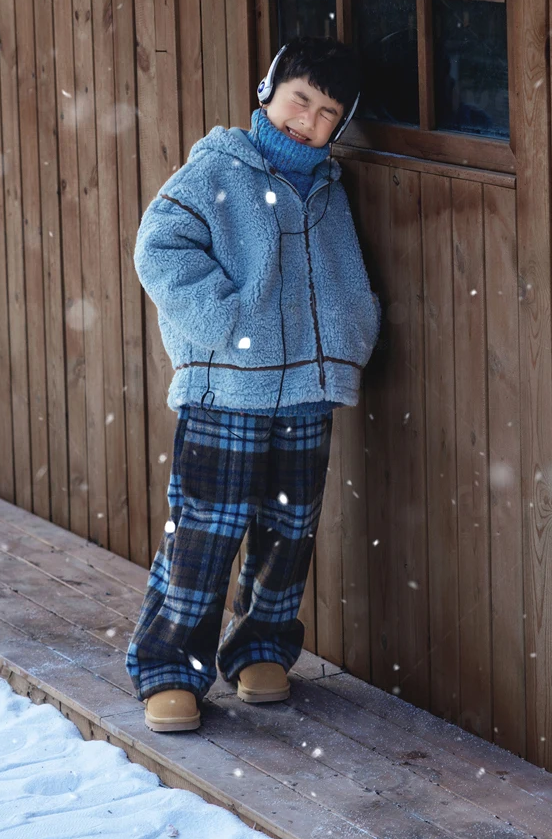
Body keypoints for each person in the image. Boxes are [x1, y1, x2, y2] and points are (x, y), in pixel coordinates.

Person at [124, 36, 381, 733]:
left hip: (305, 390)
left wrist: (351, 335)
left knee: (288, 526)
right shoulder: (219, 167)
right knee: (208, 529)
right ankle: (171, 666)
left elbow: (342, 279)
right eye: (300, 99)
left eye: (329, 112)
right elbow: (159, 248)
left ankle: (262, 647)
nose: (308, 120)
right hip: (227, 388)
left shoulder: (326, 188)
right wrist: (226, 318)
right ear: (268, 91)